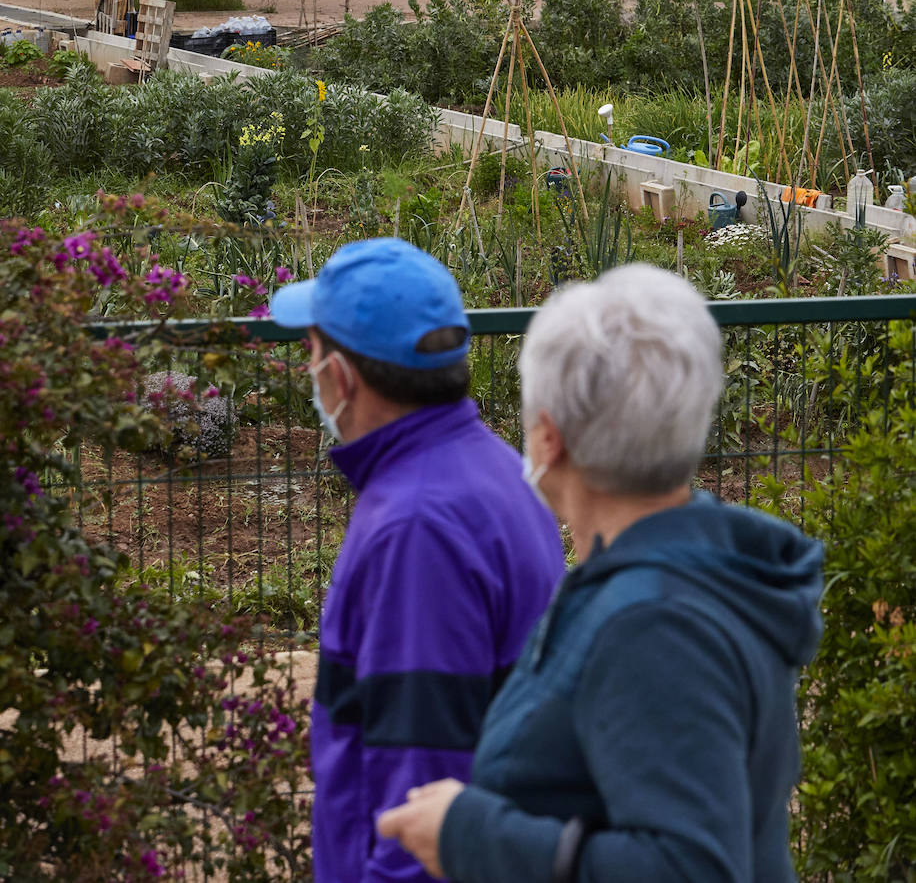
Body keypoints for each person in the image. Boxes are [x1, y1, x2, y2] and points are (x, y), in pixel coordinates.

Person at [378, 263, 824, 883]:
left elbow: (691, 868)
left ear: (548, 439)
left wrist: (471, 835)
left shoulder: (653, 624)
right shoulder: (685, 572)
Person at [270, 239, 565, 883]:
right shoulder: (494, 471)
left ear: (341, 377)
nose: (310, 368)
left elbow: (422, 803)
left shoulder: (417, 529)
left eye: (313, 350)